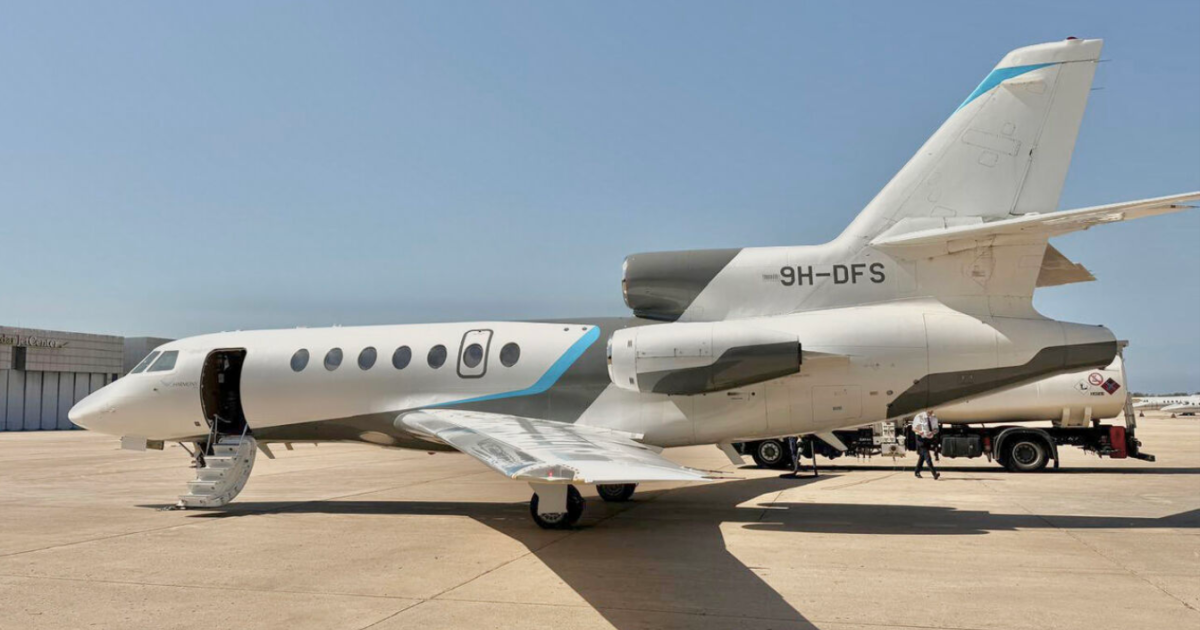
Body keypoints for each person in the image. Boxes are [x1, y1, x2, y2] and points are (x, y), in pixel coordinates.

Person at [912, 410, 941, 480]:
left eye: (932, 411)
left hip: (928, 439)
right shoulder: (919, 417)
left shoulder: (934, 418)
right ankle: (934, 474)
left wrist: (932, 432)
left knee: (922, 457)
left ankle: (917, 471)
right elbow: (914, 428)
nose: (931, 412)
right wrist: (919, 432)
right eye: (929, 411)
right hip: (920, 439)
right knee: (928, 457)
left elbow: (937, 429)